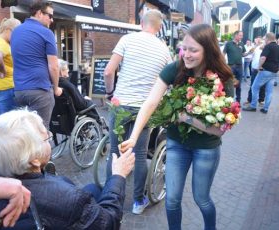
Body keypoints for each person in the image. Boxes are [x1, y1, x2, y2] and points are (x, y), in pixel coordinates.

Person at [120, 24, 234, 230]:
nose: (186, 55)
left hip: (206, 147)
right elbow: (151, 102)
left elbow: (220, 129)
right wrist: (134, 137)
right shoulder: (176, 68)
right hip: (177, 144)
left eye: (193, 50)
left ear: (208, 50)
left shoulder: (222, 78)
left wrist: (185, 118)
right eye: (184, 48)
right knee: (172, 200)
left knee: (202, 199)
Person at [0, 109, 134, 229]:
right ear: (35, 160)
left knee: (92, 189)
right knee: (95, 191)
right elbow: (108, 222)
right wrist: (118, 176)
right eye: (46, 137)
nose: (50, 137)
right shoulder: (68, 199)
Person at [103, 9, 172, 215]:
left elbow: (108, 71)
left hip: (121, 104)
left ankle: (110, 196)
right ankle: (137, 202)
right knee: (140, 155)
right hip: (145, 108)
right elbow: (168, 84)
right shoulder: (164, 50)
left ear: (142, 23)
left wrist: (109, 93)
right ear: (159, 27)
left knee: (114, 152)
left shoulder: (127, 40)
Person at [11, 1, 62, 128]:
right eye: (49, 15)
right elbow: (54, 66)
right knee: (41, 133)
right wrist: (56, 88)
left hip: (19, 91)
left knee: (25, 132)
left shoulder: (16, 31)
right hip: (39, 90)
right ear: (39, 13)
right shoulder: (46, 33)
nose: (51, 19)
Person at [0, 18, 21, 116]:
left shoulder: (1, 41)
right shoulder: (0, 42)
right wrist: (2, 70)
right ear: (8, 30)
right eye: (16, 33)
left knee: (7, 120)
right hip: (4, 88)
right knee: (8, 121)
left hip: (2, 87)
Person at [243, 32, 279, 114]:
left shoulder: (268, 46)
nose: (265, 40)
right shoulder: (278, 47)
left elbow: (263, 57)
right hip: (274, 72)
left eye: (265, 39)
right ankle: (265, 109)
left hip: (266, 71)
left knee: (254, 87)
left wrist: (259, 66)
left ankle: (253, 106)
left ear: (268, 38)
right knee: (269, 91)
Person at [223, 30, 252, 103]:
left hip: (239, 67)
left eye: (242, 35)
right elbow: (223, 54)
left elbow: (243, 54)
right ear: (235, 35)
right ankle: (229, 101)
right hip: (231, 66)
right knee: (229, 84)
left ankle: (238, 101)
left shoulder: (242, 44)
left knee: (238, 85)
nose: (241, 37)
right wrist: (223, 64)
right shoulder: (228, 44)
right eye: (240, 35)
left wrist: (249, 52)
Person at [243, 36, 266, 106]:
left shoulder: (264, 47)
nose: (258, 41)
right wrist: (256, 45)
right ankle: (249, 99)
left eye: (259, 40)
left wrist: (262, 44)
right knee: (252, 85)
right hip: (254, 68)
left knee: (262, 85)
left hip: (262, 69)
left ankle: (261, 100)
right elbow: (250, 53)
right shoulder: (254, 47)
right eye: (257, 40)